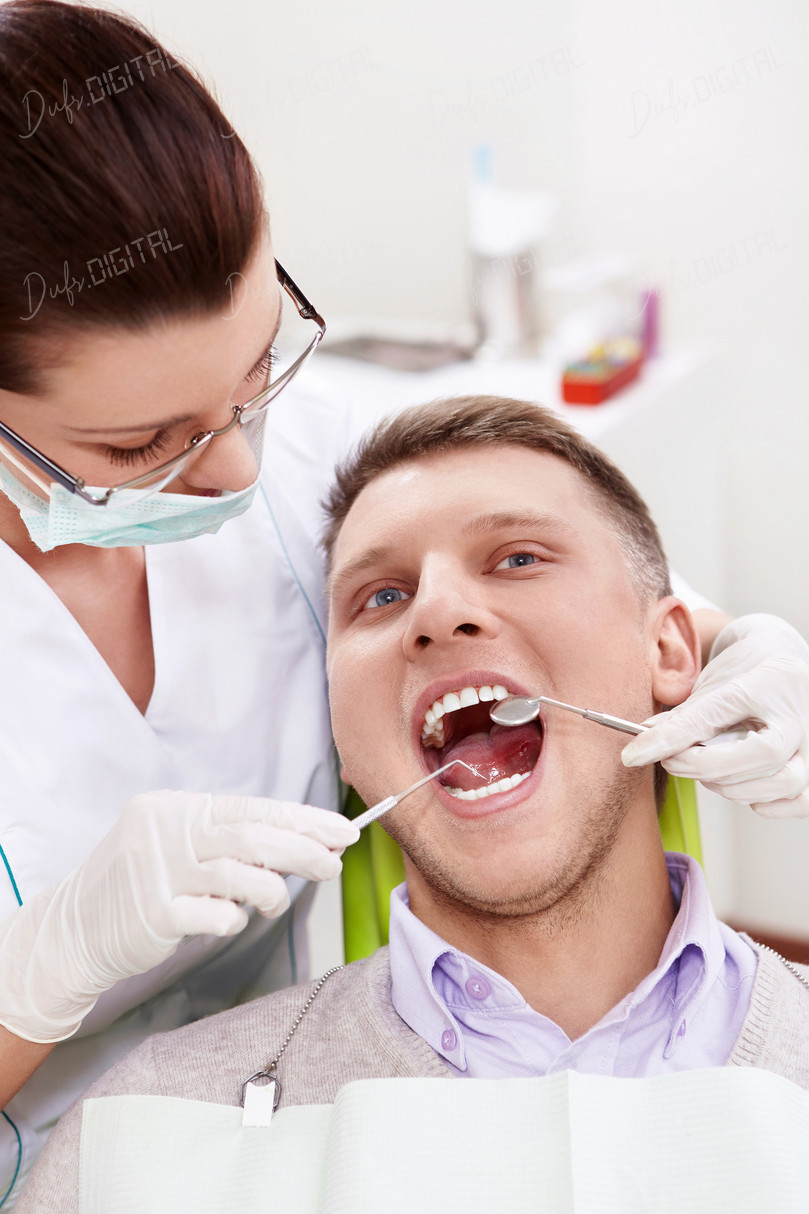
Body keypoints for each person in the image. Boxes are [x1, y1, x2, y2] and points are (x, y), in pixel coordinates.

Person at [2, 1, 809, 1206]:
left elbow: (521, 529)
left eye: (255, 369)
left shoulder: (316, 456)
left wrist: (712, 635)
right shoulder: (127, 1134)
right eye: (139, 444)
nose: (236, 469)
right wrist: (35, 973)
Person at [17, 396, 809, 1213]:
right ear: (344, 740)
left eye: (518, 559)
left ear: (672, 651)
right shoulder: (147, 1133)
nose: (435, 611)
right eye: (382, 597)